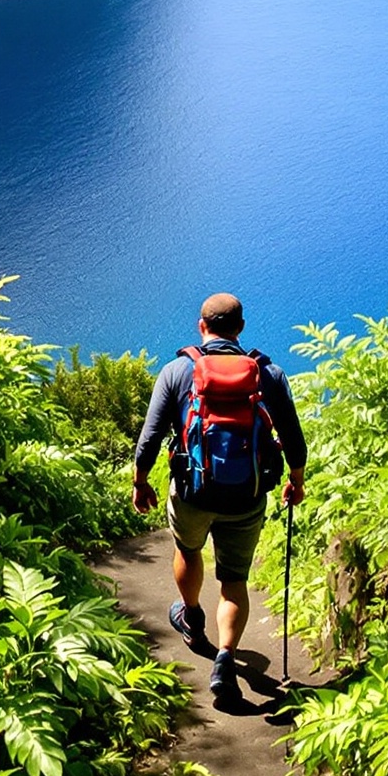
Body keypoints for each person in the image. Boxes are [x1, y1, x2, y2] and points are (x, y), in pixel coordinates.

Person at [132, 291, 306, 701]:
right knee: (234, 580)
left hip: (192, 493)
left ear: (202, 326)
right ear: (241, 328)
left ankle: (191, 616)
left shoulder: (177, 371)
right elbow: (293, 440)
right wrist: (295, 481)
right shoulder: (269, 374)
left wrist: (141, 483)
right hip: (247, 496)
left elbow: (150, 439)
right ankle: (226, 658)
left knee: (188, 550)